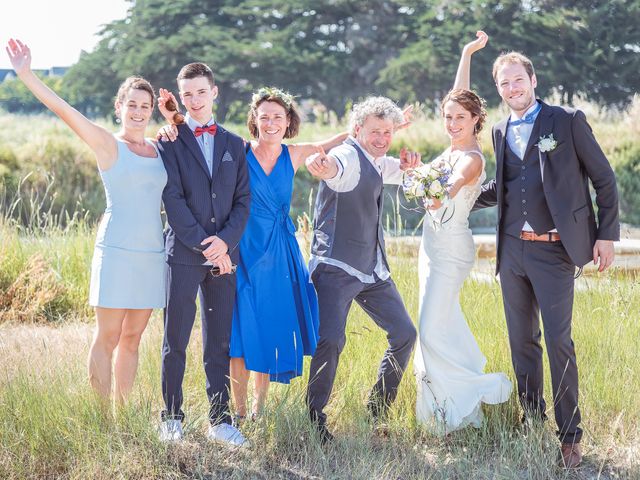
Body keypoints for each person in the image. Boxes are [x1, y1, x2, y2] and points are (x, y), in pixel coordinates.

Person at [474, 44, 620, 468]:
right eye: (505, 83)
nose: (513, 87)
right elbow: (502, 186)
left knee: (559, 341)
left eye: (519, 79)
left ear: (533, 81)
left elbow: (604, 179)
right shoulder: (500, 131)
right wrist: (450, 192)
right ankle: (533, 420)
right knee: (522, 343)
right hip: (512, 250)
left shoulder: (567, 121)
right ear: (499, 90)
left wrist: (606, 235)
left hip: (556, 250)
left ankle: (570, 436)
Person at [5, 39, 166, 403]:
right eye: (132, 105)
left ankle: (124, 418)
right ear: (119, 108)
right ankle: (100, 419)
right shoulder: (108, 143)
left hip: (152, 254)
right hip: (116, 251)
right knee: (107, 337)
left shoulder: (160, 148)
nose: (139, 112)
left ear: (151, 109)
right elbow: (65, 111)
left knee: (133, 338)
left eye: (145, 106)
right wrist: (27, 75)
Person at [228, 87, 349, 422]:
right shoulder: (239, 150)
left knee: (266, 327)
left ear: (288, 121)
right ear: (254, 119)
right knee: (241, 331)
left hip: (280, 254)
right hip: (245, 251)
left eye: (277, 117)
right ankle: (236, 413)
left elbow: (334, 142)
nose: (270, 123)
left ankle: (258, 410)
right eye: (264, 116)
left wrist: (383, 128)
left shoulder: (293, 155)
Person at [412, 31, 512, 436]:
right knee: (442, 323)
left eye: (460, 118)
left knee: (431, 326)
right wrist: (466, 51)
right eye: (447, 117)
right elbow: (459, 94)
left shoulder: (470, 159)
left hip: (452, 248)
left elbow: (448, 190)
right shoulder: (453, 142)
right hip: (430, 245)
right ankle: (444, 413)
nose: (452, 123)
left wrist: (428, 187)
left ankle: (474, 390)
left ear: (476, 121)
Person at [304, 96, 420, 443]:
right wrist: (325, 169)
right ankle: (314, 420)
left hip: (371, 269)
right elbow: (338, 172)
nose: (382, 138)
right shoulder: (347, 156)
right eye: (375, 132)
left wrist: (410, 165)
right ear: (356, 130)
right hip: (337, 266)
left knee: (404, 334)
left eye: (388, 131)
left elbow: (395, 172)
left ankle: (377, 409)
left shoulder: (377, 159)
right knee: (331, 340)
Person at [156, 63, 251, 446]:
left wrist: (225, 243)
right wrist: (206, 244)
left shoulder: (234, 143)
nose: (194, 100)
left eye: (200, 92)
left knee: (219, 342)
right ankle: (172, 417)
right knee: (174, 337)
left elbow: (244, 201)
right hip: (183, 252)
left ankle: (220, 420)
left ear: (214, 92)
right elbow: (172, 199)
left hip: (225, 257)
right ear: (181, 98)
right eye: (187, 94)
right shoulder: (169, 140)